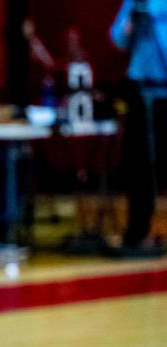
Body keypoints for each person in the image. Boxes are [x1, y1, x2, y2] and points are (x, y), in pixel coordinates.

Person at [110, 0, 167, 257]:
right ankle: (137, 231)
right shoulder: (134, 2)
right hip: (139, 87)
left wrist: (154, 21)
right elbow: (118, 38)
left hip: (163, 88)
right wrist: (131, 23)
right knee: (137, 164)